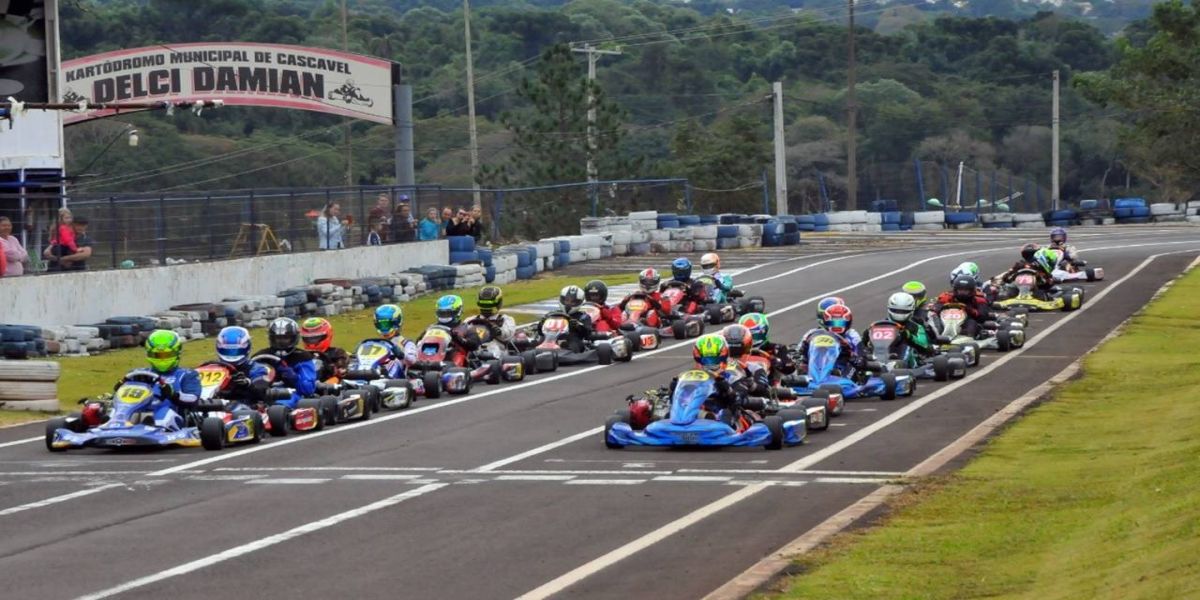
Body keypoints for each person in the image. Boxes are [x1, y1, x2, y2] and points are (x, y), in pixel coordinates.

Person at [141, 330, 202, 429]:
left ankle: (154, 427)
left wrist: (173, 394)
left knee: (163, 413)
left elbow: (193, 398)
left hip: (171, 413)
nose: (162, 359)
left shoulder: (187, 374)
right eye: (157, 355)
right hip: (139, 411)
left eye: (167, 355)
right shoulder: (139, 373)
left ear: (177, 353)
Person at [253, 318, 317, 400]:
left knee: (279, 406)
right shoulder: (260, 356)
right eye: (278, 338)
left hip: (291, 394)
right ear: (272, 338)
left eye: (285, 338)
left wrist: (295, 378)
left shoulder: (302, 357)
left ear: (294, 338)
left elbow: (308, 389)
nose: (281, 342)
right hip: (262, 395)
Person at [883, 292, 938, 358]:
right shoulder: (881, 325)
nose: (899, 314)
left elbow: (925, 346)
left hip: (911, 360)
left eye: (903, 311)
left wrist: (908, 336)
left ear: (911, 310)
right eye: (896, 310)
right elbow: (867, 345)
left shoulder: (916, 326)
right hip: (882, 356)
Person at [371, 304, 418, 378]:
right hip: (376, 370)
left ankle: (385, 377)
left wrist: (401, 355)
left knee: (393, 362)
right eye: (382, 325)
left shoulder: (406, 343)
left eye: (387, 324)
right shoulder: (375, 344)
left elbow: (412, 360)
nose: (385, 328)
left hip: (398, 378)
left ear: (397, 323)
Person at [301, 317, 349, 382]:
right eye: (309, 338)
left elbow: (342, 369)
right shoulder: (301, 355)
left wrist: (331, 368)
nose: (312, 342)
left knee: (335, 379)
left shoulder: (337, 352)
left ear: (328, 335)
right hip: (304, 382)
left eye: (316, 338)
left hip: (329, 384)